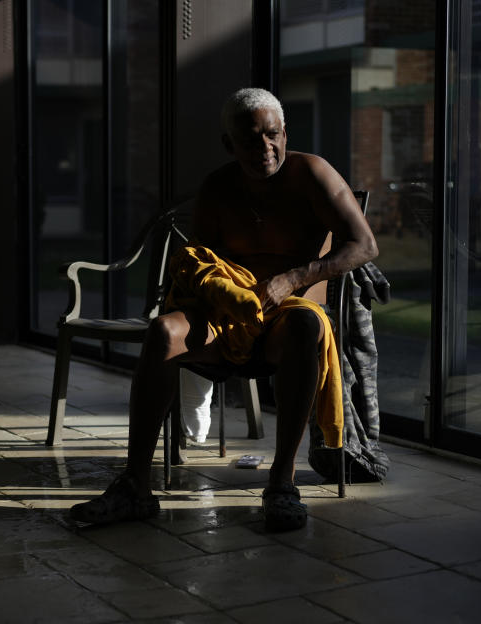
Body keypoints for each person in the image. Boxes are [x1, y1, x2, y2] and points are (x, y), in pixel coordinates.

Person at [69, 87, 378, 531]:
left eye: (272, 135)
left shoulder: (312, 172)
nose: (264, 147)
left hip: (288, 316)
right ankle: (136, 486)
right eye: (250, 139)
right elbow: (200, 264)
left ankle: (281, 483)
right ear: (229, 144)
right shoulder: (218, 186)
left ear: (285, 133)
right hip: (228, 315)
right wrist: (223, 293)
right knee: (161, 332)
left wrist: (294, 278)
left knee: (304, 326)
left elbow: (365, 245)